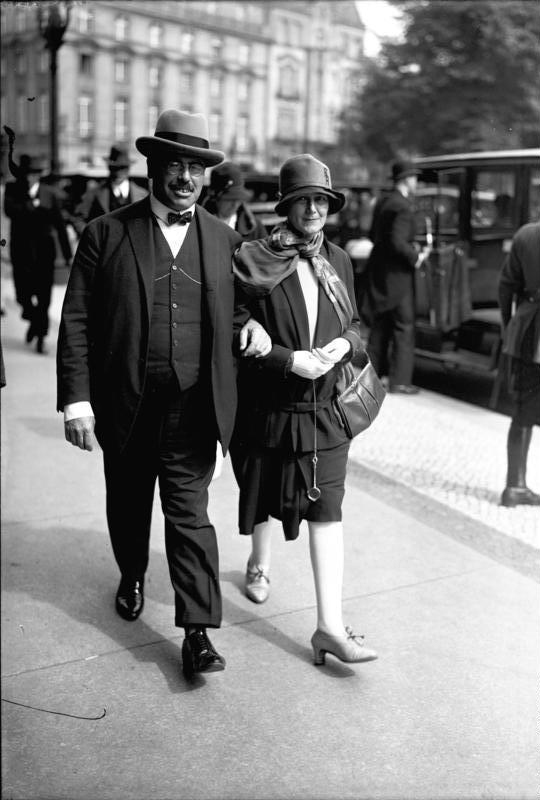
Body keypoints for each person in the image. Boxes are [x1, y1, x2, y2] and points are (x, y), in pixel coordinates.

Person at [56, 109, 270, 678]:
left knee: (190, 516)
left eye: (196, 168)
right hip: (126, 400)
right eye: (175, 164)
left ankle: (197, 630)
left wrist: (252, 325)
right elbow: (76, 319)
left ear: (206, 178)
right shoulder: (106, 233)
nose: (186, 177)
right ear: (153, 166)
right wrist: (77, 401)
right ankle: (130, 572)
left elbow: (241, 307)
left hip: (195, 408)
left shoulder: (226, 240)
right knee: (128, 505)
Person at [232, 153, 378, 666]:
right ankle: (258, 563)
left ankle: (330, 628)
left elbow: (356, 324)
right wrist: (287, 359)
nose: (314, 209)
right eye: (303, 200)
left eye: (321, 200)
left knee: (327, 509)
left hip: (327, 408)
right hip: (273, 404)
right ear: (286, 206)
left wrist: (342, 348)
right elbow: (234, 327)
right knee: (267, 494)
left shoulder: (337, 259)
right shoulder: (253, 257)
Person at [364, 160, 429, 394]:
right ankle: (400, 381)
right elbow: (397, 241)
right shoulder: (402, 206)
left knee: (380, 326)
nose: (417, 182)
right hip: (398, 278)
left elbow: (373, 235)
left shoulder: (383, 201)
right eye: (414, 178)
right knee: (404, 327)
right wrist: (416, 256)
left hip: (379, 273)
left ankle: (370, 377)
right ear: (406, 180)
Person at [4, 154, 72, 354]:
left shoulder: (49, 193)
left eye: (34, 174)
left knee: (44, 298)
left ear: (39, 175)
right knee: (22, 296)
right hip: (21, 253)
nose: (29, 178)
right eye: (26, 174)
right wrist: (32, 206)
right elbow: (10, 210)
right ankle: (34, 321)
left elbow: (59, 225)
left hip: (44, 253)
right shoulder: (12, 190)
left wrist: (67, 255)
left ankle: (41, 336)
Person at [498, 221, 540, 507]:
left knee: (524, 407)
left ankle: (515, 485)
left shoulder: (526, 234)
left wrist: (508, 324)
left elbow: (506, 286)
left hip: (529, 330)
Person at [71, 144, 147, 235]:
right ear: (109, 167)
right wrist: (92, 238)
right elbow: (78, 219)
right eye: (114, 168)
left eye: (122, 167)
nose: (118, 172)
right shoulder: (94, 193)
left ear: (128, 168)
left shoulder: (143, 195)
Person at [203, 161, 266, 241]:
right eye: (230, 199)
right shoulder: (198, 226)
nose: (235, 205)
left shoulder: (254, 228)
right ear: (214, 197)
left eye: (239, 199)